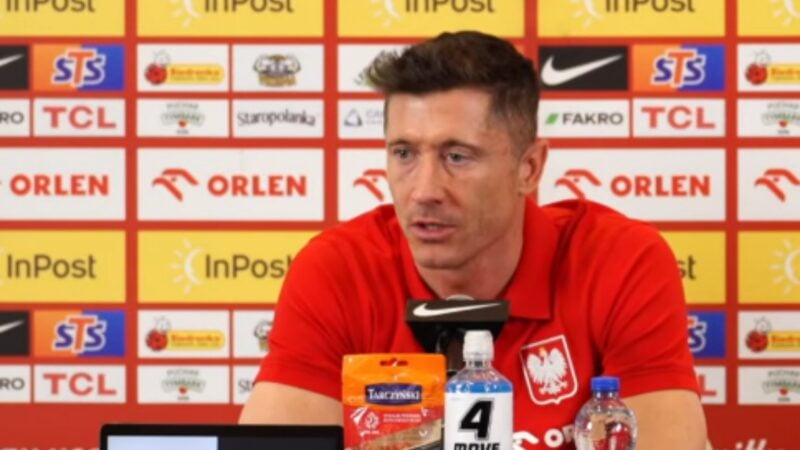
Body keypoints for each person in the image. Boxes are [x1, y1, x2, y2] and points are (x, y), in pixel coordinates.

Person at [240, 31, 707, 449]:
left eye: (457, 157)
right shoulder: (339, 269)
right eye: (404, 153)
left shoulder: (619, 261)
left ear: (529, 168)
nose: (424, 191)